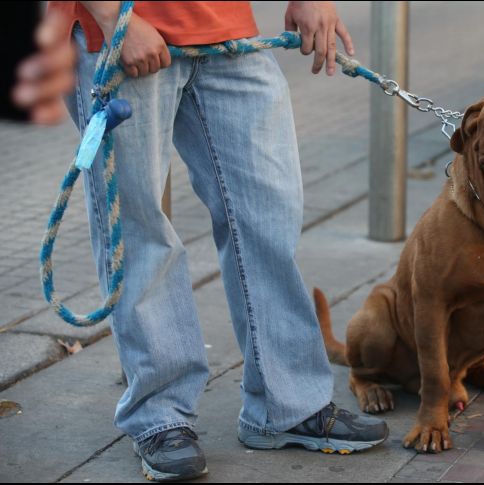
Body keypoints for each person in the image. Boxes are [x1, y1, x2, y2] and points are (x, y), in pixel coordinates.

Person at [46, 1, 388, 482]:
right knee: (140, 231)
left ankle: (286, 405)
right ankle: (161, 416)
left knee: (267, 214)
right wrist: (112, 18)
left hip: (226, 28)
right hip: (123, 31)